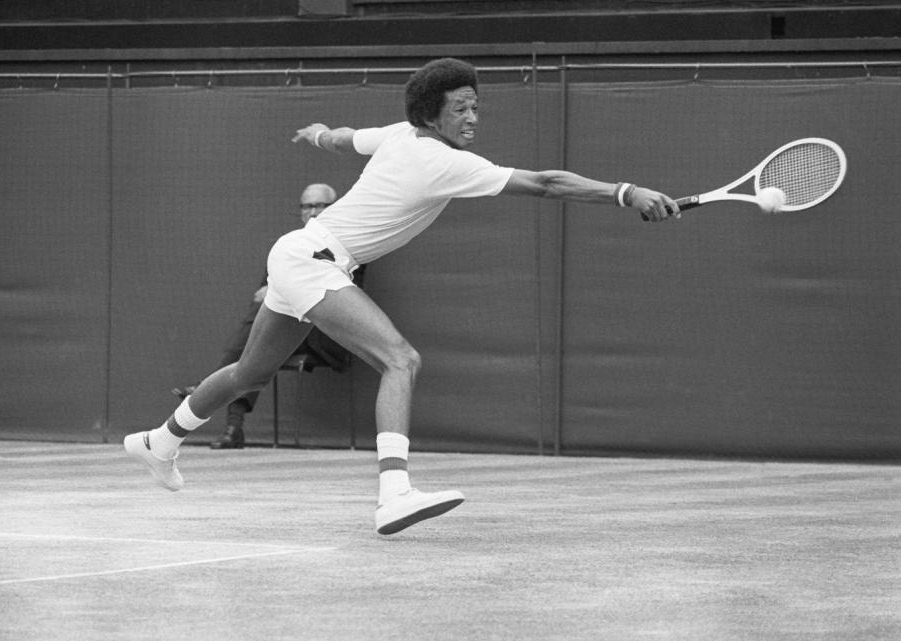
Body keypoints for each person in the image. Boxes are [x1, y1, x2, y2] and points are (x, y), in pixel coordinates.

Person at [124, 57, 679, 536]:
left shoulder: (400, 134)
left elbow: (343, 139)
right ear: (431, 113)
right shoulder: (441, 159)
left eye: (476, 107)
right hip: (312, 260)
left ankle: (158, 441)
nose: (472, 118)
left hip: (300, 255)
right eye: (460, 108)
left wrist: (317, 134)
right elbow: (545, 183)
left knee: (249, 373)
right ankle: (394, 493)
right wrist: (626, 193)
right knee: (401, 359)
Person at [171, 183, 365, 450]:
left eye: (320, 205)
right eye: (307, 206)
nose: (313, 211)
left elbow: (341, 294)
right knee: (258, 337)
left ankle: (210, 389)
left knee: (258, 342)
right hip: (289, 326)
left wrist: (286, 291)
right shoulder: (291, 246)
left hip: (324, 330)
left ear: (333, 208)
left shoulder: (347, 242)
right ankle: (232, 428)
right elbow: (264, 296)